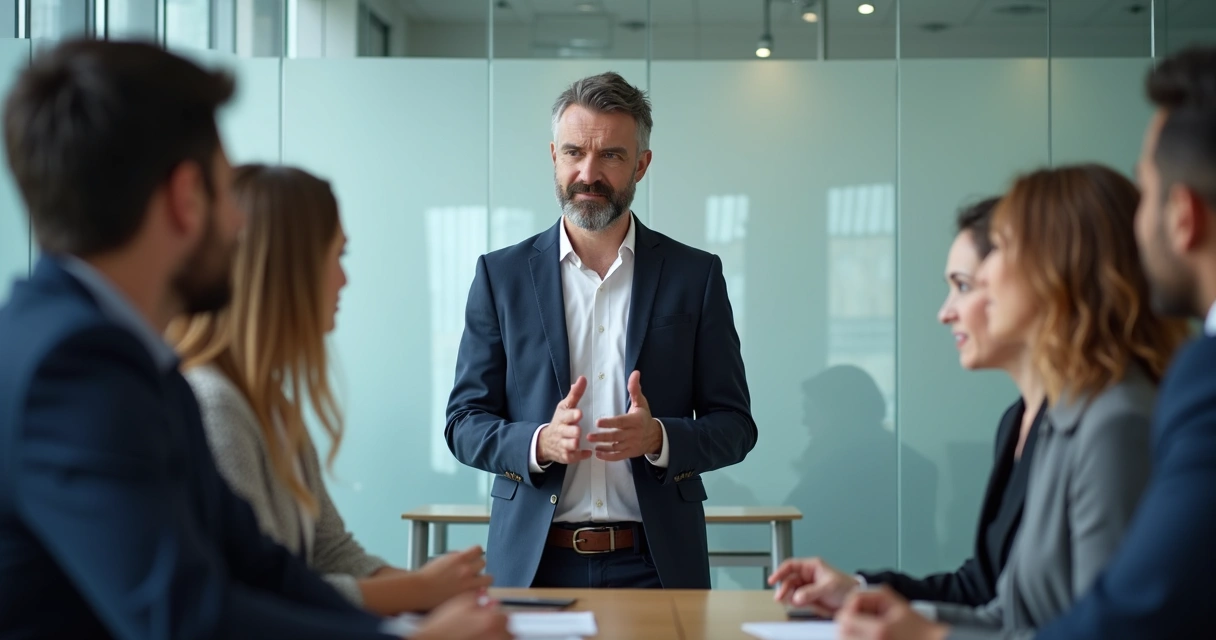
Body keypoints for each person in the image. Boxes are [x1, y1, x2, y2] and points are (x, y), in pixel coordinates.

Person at [0, 40, 507, 640]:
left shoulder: (132, 361)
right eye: (224, 192)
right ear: (186, 199)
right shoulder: (74, 368)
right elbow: (183, 617)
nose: (240, 225)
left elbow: (260, 568)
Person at [834, 164, 1190, 640]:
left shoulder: (1115, 423)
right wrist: (883, 608)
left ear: (1055, 271)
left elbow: (1107, 632)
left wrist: (930, 636)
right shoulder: (1060, 419)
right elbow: (1006, 612)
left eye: (999, 251)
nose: (987, 276)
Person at [445, 71, 757, 589]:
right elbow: (463, 423)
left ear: (641, 164)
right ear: (554, 156)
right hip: (534, 564)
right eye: (574, 152)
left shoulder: (695, 276)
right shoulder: (500, 277)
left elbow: (735, 426)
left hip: (656, 565)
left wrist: (659, 437)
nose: (587, 174)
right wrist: (539, 442)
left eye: (610, 155)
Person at [168, 165, 492, 616]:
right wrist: (420, 591)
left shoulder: (273, 406)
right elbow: (258, 595)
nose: (344, 279)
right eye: (337, 256)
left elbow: (332, 553)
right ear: (289, 271)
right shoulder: (214, 405)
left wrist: (441, 589)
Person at [770, 198, 1045, 611]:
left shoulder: (1104, 425)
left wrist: (928, 635)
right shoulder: (1016, 421)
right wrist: (858, 590)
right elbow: (982, 587)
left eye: (964, 286)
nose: (945, 313)